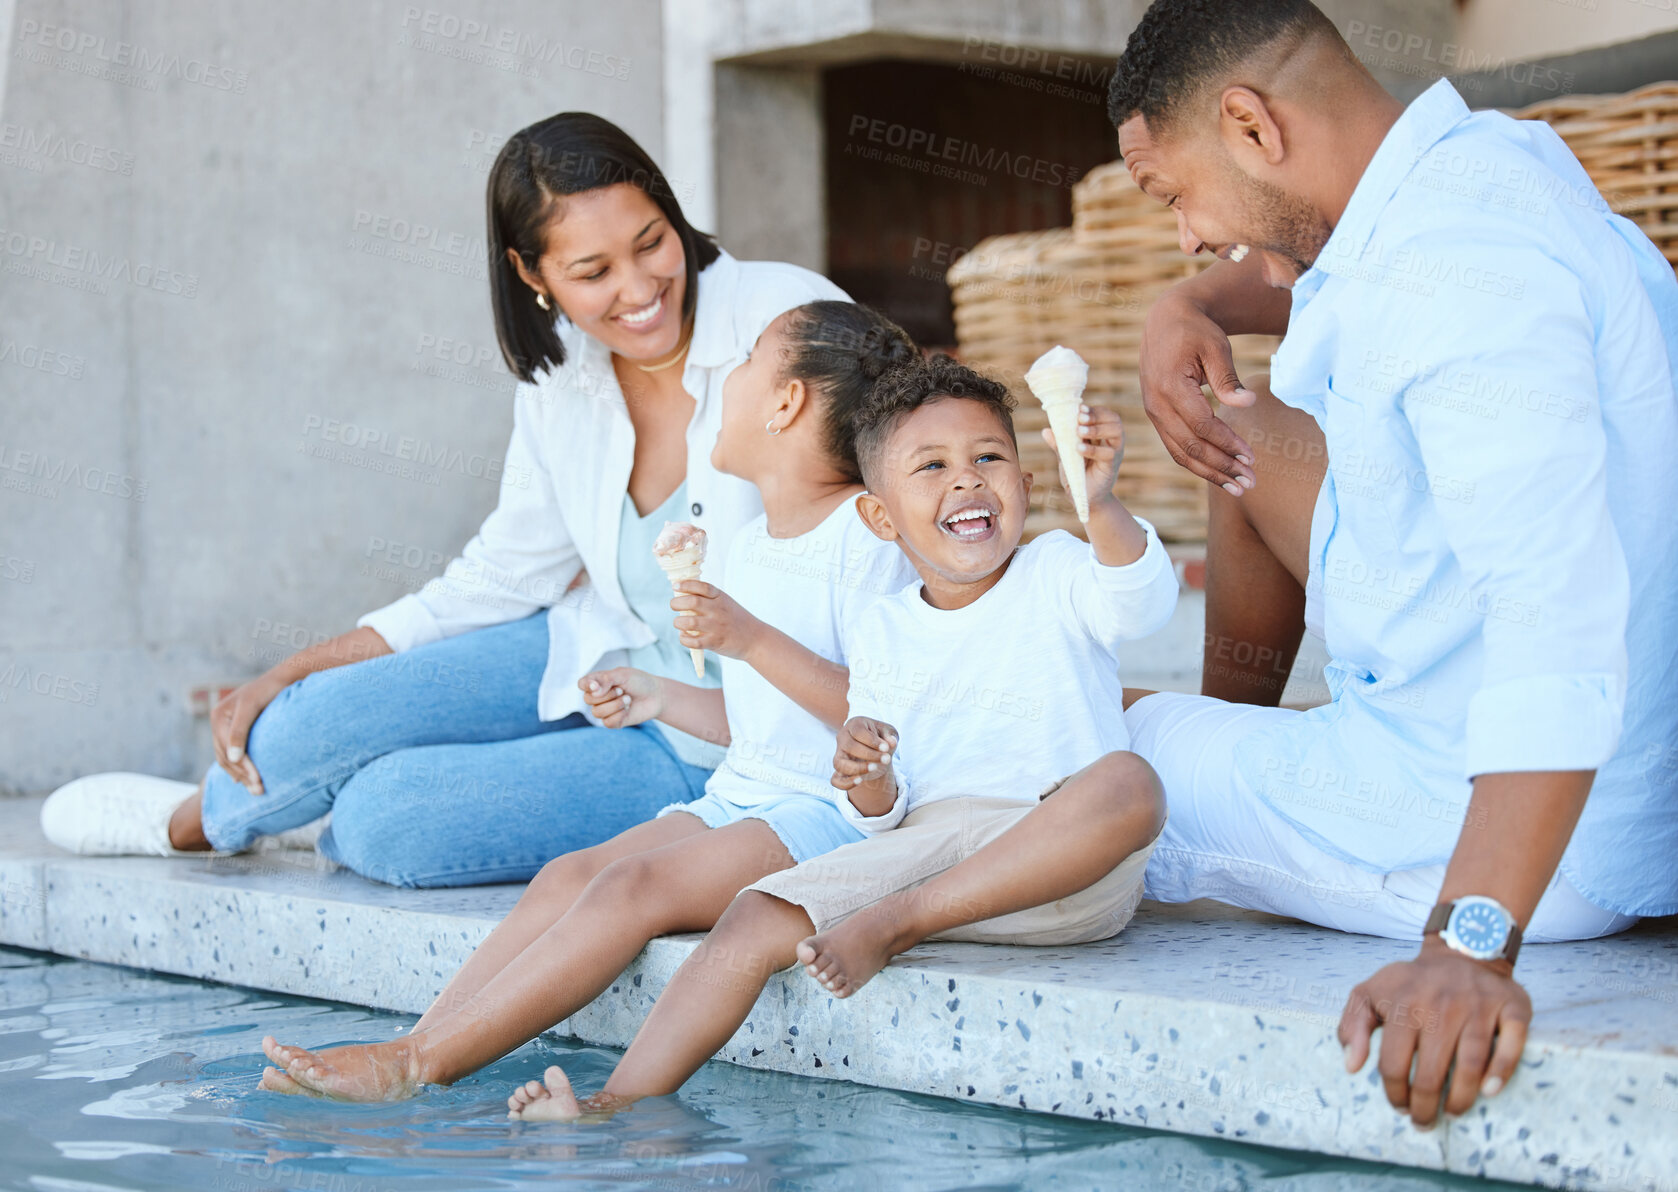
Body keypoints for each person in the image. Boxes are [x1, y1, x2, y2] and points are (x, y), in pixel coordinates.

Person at [1104, 0, 1677, 1131]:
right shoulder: (1477, 167)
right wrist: (1184, 307)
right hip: (1584, 767)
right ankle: (1254, 768)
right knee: (1239, 424)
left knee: (1076, 732)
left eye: (1172, 195)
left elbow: (1550, 609)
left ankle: (1247, 791)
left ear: (1250, 125)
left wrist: (1470, 944)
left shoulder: (1455, 277)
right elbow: (1292, 273)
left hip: (1542, 843)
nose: (1185, 235)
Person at [39, 113, 849, 887]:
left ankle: (299, 812)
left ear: (674, 217)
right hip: (596, 652)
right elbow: (502, 575)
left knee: (387, 821)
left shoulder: (784, 321)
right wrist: (289, 670)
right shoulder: (567, 371)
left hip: (720, 737)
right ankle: (198, 821)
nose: (640, 289)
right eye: (593, 272)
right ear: (532, 274)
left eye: (652, 244)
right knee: (310, 717)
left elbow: (883, 519)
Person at [255, 302, 922, 1100]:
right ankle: (419, 1042)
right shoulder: (751, 547)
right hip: (748, 792)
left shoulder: (867, 534)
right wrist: (658, 695)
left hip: (831, 819)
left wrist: (748, 640)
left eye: (744, 365)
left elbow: (884, 716)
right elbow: (759, 729)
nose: (724, 383)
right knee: (568, 876)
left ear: (786, 403)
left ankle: (416, 1067)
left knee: (628, 889)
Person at [503, 354, 1178, 1121]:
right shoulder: (882, 628)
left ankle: (894, 926)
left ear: (1025, 483)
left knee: (1130, 782)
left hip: (1058, 867)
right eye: (932, 466)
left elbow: (1141, 604)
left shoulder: (1058, 570)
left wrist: (1103, 505)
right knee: (756, 911)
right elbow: (877, 820)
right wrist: (867, 780)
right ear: (882, 519)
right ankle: (613, 1101)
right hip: (932, 853)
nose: (966, 479)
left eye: (989, 458)